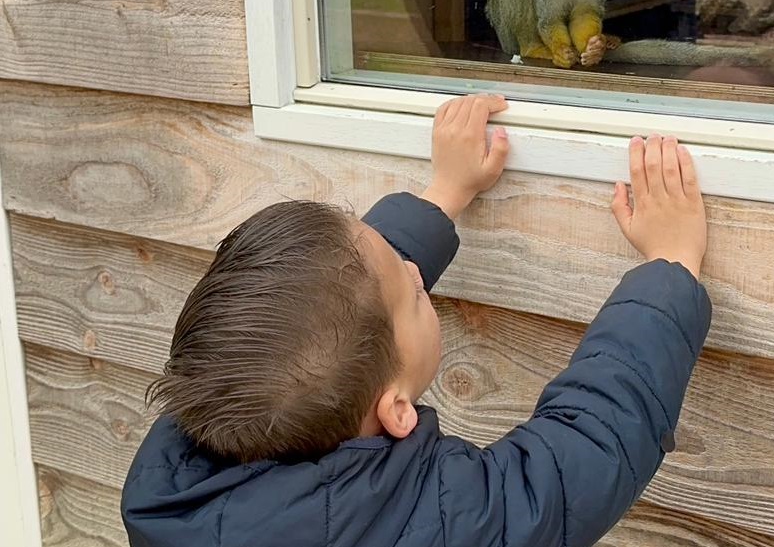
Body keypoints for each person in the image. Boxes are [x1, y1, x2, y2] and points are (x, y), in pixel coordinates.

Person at [121, 93, 711, 547]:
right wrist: (670, 267)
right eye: (412, 293)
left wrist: (444, 192)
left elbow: (335, 299)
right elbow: (582, 450)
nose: (413, 270)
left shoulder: (177, 472)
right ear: (395, 411)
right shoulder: (443, 521)